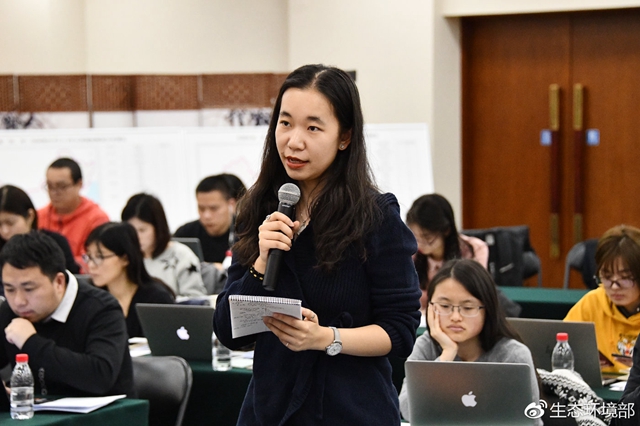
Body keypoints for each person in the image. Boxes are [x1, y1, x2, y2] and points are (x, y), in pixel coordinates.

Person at [213, 64, 422, 425]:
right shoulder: (258, 208)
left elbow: (400, 330)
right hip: (270, 410)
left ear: (344, 137)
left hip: (349, 410)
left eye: (313, 128)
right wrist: (261, 262)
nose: (294, 141)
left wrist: (326, 337)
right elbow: (228, 332)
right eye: (285, 123)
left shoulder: (374, 215)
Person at [398, 259, 539, 423]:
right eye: (445, 306)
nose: (455, 317)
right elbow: (407, 409)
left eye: (468, 308)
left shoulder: (513, 355)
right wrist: (446, 356)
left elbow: (532, 421)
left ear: (487, 309)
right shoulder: (426, 346)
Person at [0, 232, 133, 397]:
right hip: (37, 410)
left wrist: (30, 342)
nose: (19, 301)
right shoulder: (10, 311)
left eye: (29, 289)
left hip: (106, 411)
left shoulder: (101, 309)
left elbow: (100, 376)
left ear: (59, 282)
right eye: (10, 289)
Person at [406, 193, 521, 317]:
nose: (419, 243)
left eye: (427, 237)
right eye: (415, 236)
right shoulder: (411, 253)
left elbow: (471, 295)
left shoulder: (474, 249)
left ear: (446, 230)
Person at [564, 224, 640, 374]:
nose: (614, 287)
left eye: (625, 278)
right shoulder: (592, 303)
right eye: (607, 277)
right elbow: (561, 345)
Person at [84, 222, 175, 338]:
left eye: (100, 257)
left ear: (125, 259)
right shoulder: (89, 298)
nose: (91, 265)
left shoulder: (155, 299)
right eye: (89, 256)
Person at [121, 193, 206, 298]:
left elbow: (196, 299)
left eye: (142, 230)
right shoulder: (123, 258)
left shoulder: (181, 256)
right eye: (131, 230)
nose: (136, 236)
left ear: (158, 227)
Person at [37, 157, 109, 267]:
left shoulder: (96, 219)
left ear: (79, 184)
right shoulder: (39, 216)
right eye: (50, 186)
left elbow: (95, 260)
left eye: (62, 186)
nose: (54, 192)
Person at [0, 184, 79, 273]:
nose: (4, 231)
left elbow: (72, 278)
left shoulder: (56, 243)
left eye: (10, 223)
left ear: (30, 216)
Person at [174, 173, 245, 264]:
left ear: (231, 204)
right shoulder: (186, 234)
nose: (206, 216)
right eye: (201, 208)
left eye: (214, 208)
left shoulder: (245, 232)